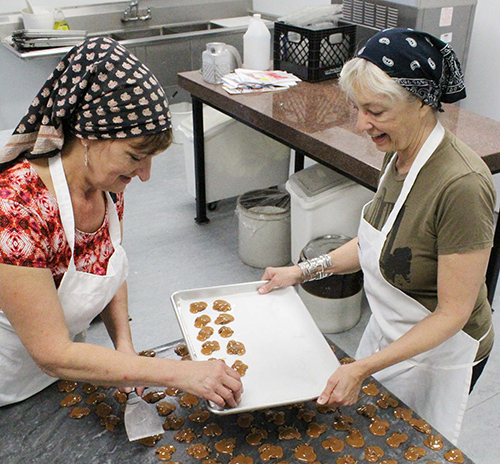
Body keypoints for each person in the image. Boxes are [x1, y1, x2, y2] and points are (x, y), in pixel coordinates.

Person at [259, 28, 495, 444]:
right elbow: (377, 244)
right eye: (357, 108)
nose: (361, 124)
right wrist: (300, 272)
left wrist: (363, 367)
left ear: (422, 102)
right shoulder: (400, 154)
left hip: (442, 352)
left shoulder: (462, 185)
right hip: (392, 334)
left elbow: (452, 313)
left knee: (415, 444)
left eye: (376, 111)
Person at [0, 37, 242, 409]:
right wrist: (175, 373)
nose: (145, 175)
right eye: (135, 156)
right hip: (11, 382)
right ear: (87, 136)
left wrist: (125, 348)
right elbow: (51, 352)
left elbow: (108, 267)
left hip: (67, 372)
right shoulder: (16, 209)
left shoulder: (107, 186)